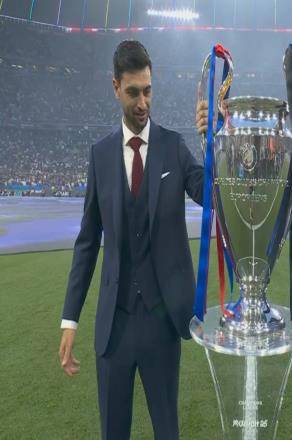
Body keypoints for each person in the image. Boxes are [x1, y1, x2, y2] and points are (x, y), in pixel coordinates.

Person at [58, 40, 204, 440]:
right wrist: (70, 320)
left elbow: (212, 195)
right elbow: (87, 242)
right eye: (133, 92)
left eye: (148, 91)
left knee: (167, 432)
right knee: (113, 433)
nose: (143, 103)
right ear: (115, 87)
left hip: (163, 322)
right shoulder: (100, 155)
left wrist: (216, 140)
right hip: (114, 327)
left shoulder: (174, 147)